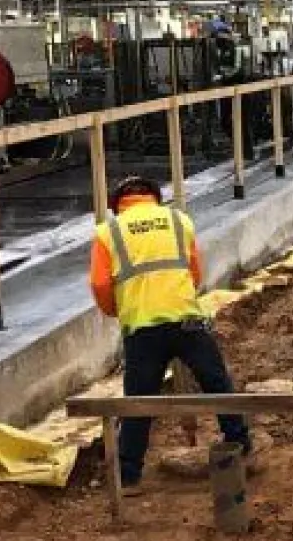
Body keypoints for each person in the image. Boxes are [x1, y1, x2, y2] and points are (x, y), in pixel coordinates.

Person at [90, 175, 250, 494]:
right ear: (155, 198)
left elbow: (100, 284)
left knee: (139, 401)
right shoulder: (179, 221)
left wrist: (116, 310)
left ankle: (130, 475)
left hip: (142, 328)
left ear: (117, 205)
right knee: (216, 382)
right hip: (185, 319)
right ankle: (240, 444)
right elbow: (194, 272)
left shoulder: (108, 232)